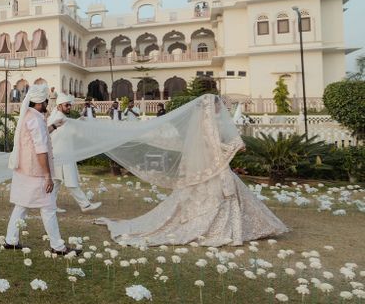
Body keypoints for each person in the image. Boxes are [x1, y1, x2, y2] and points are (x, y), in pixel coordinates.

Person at [96, 95, 288, 246]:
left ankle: (248, 227)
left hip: (208, 164)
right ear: (212, 107)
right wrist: (234, 147)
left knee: (226, 191)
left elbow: (209, 143)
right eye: (219, 104)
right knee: (223, 192)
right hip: (211, 164)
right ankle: (224, 229)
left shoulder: (203, 122)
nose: (221, 107)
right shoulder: (208, 123)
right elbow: (212, 144)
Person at [4, 83, 79, 256]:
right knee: (48, 208)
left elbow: (38, 135)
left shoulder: (29, 116)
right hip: (36, 171)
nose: (48, 104)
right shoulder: (35, 118)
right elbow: (40, 149)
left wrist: (54, 126)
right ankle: (58, 246)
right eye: (46, 101)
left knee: (21, 206)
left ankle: (11, 240)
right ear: (40, 102)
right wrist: (48, 176)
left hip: (24, 169)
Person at [47, 93, 102, 212]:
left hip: (61, 155)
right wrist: (78, 122)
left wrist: (78, 121)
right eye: (67, 105)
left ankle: (50, 206)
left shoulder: (60, 116)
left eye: (70, 105)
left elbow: (67, 127)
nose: (69, 107)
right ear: (59, 106)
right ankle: (85, 205)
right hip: (61, 156)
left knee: (56, 182)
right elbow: (57, 129)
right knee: (70, 181)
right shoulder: (57, 118)